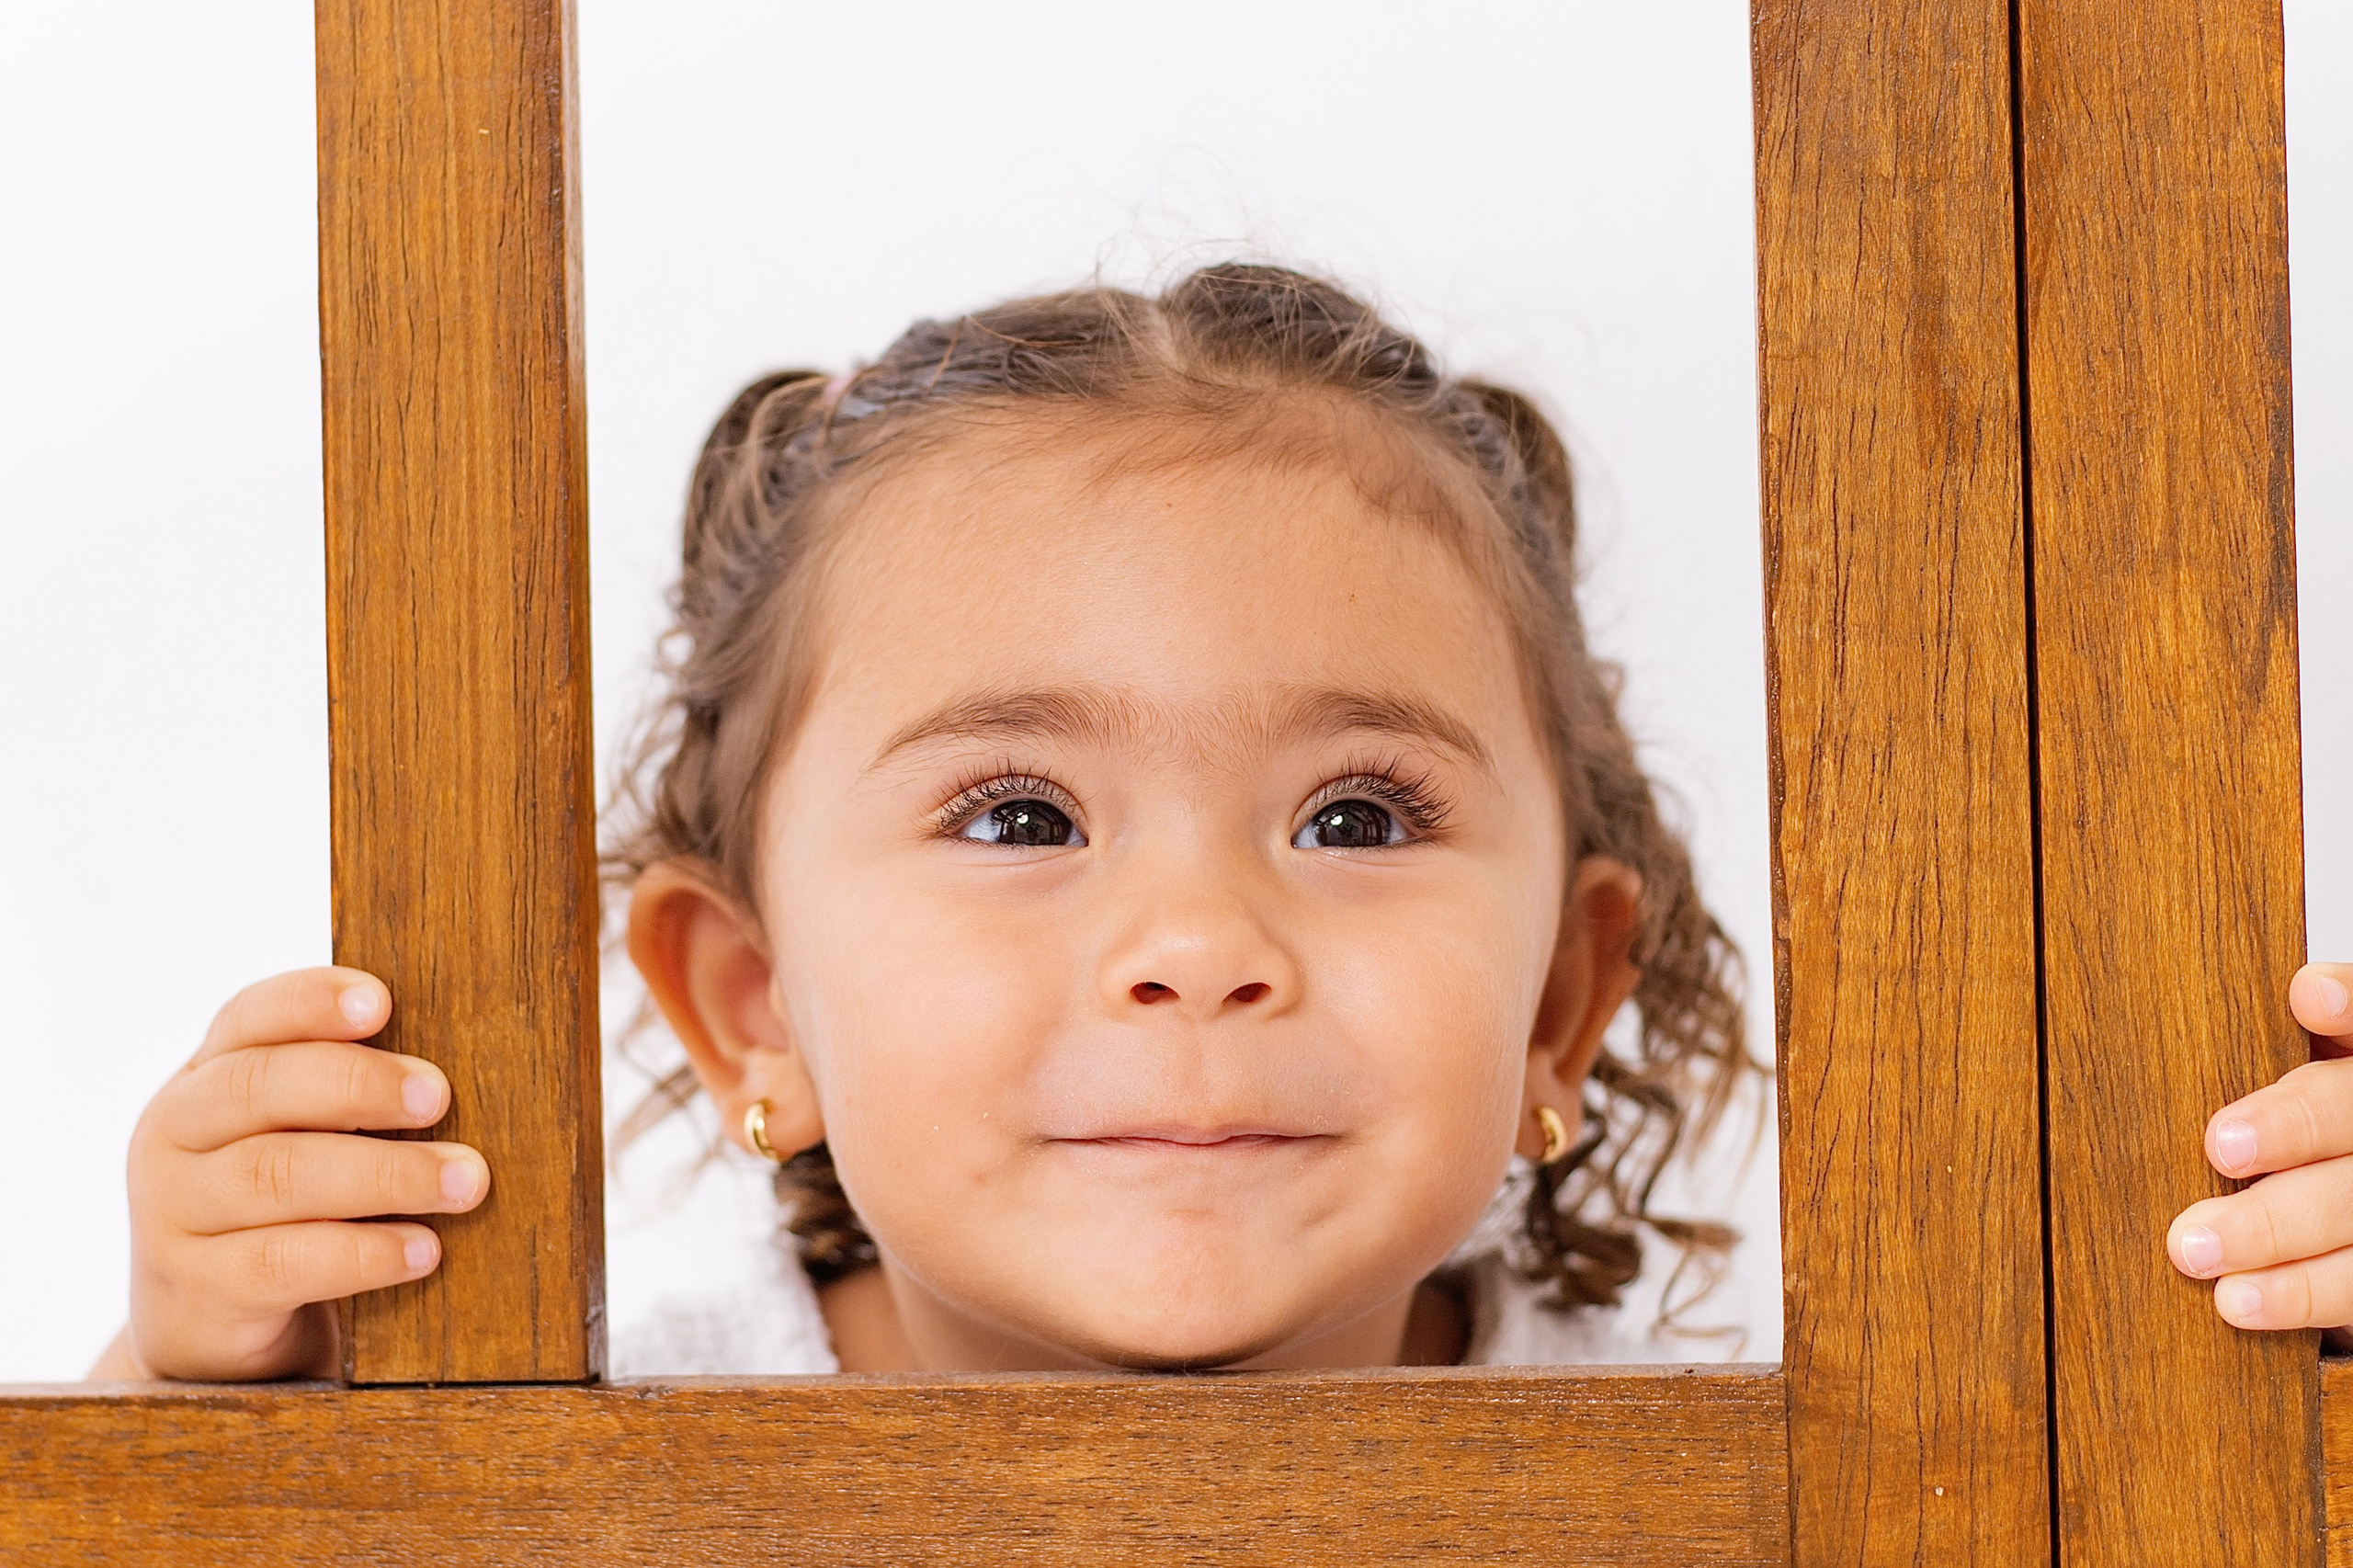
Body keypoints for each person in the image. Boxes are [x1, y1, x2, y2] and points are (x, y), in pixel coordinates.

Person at [85, 266, 2349, 1381]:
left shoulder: (1744, 1452)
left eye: (1356, 813)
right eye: (1013, 811)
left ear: (1563, 1002)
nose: (1195, 938)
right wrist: (203, 1400)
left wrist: (2308, 1380)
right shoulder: (619, 1412)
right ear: (744, 1002)